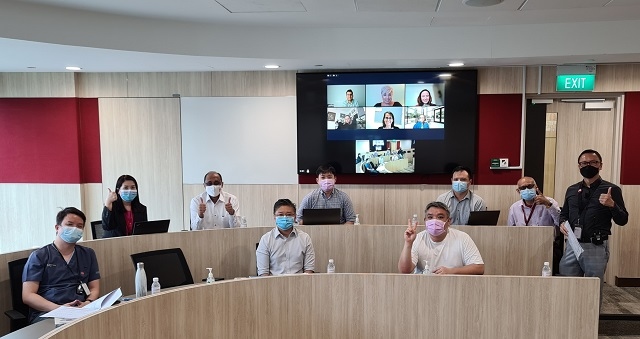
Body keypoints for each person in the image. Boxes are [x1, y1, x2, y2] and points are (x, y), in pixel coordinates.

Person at [558, 149, 628, 286]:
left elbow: (623, 220)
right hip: (573, 244)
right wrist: (561, 223)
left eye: (593, 162)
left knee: (592, 290)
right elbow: (564, 213)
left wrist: (612, 205)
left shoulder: (612, 189)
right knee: (567, 288)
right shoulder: (572, 190)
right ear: (579, 166)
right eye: (584, 163)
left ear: (600, 165)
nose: (588, 166)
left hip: (595, 245)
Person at [22, 207, 100, 323]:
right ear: (57, 228)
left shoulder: (88, 254)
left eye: (79, 226)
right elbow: (28, 295)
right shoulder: (39, 256)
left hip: (81, 310)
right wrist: (60, 309)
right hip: (48, 312)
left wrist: (88, 303)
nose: (75, 229)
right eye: (70, 224)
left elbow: (94, 287)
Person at [398, 201, 484, 275]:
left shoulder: (462, 237)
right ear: (425, 221)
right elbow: (404, 271)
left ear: (449, 221)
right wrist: (408, 243)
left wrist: (451, 271)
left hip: (453, 286)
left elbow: (479, 268)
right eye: (430, 217)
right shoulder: (418, 238)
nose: (434, 221)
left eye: (440, 217)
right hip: (422, 286)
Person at [256, 199, 315, 276]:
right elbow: (263, 273)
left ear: (295, 217)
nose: (285, 218)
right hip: (274, 284)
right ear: (274, 216)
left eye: (289, 214)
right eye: (280, 215)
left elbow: (309, 270)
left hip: (300, 283)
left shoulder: (305, 238)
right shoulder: (266, 239)